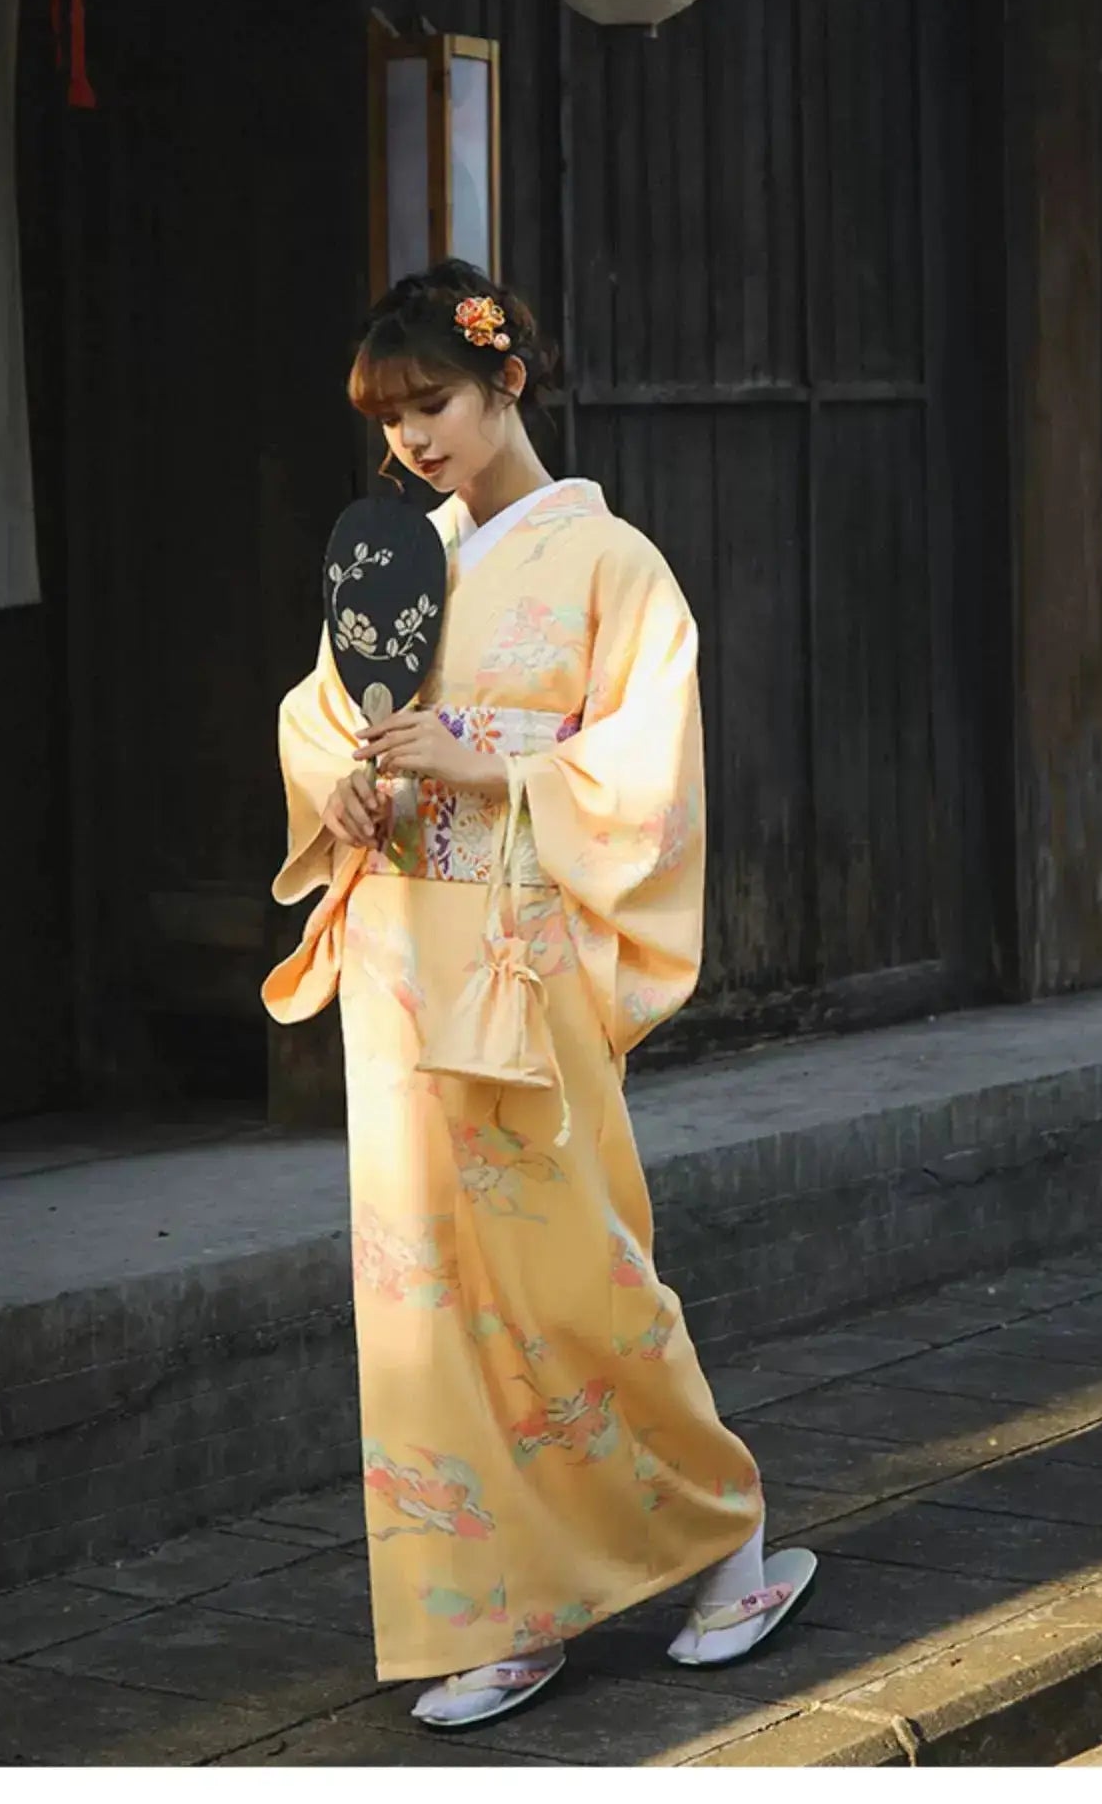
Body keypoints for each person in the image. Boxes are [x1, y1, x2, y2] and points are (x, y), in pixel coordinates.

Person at [263, 260, 817, 1731]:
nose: (414, 441)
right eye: (390, 418)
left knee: (576, 1272)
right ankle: (499, 1613)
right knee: (422, 1296)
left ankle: (727, 1532)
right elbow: (318, 716)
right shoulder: (393, 556)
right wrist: (350, 790)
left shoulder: (611, 561)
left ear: (509, 378)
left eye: (433, 401)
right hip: (400, 955)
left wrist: (495, 764)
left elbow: (649, 770)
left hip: (520, 953)